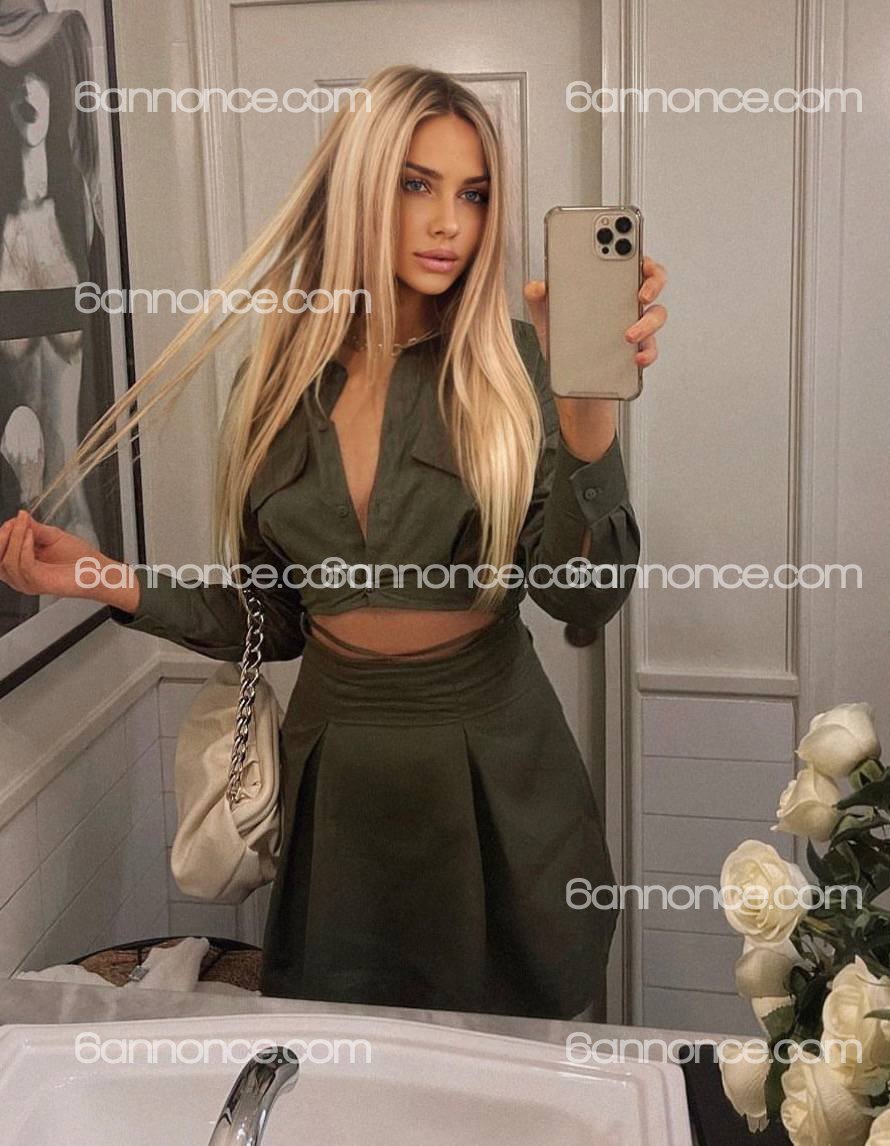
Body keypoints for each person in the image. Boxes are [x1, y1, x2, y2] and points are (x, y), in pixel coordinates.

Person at [0, 64, 668, 1019]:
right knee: (342, 1059)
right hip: (338, 787)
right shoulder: (274, 387)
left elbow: (582, 596)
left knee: (506, 1062)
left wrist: (588, 417)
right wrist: (104, 577)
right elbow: (272, 620)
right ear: (356, 188)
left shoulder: (517, 367)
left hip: (497, 780)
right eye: (416, 183)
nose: (449, 222)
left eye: (474, 194)